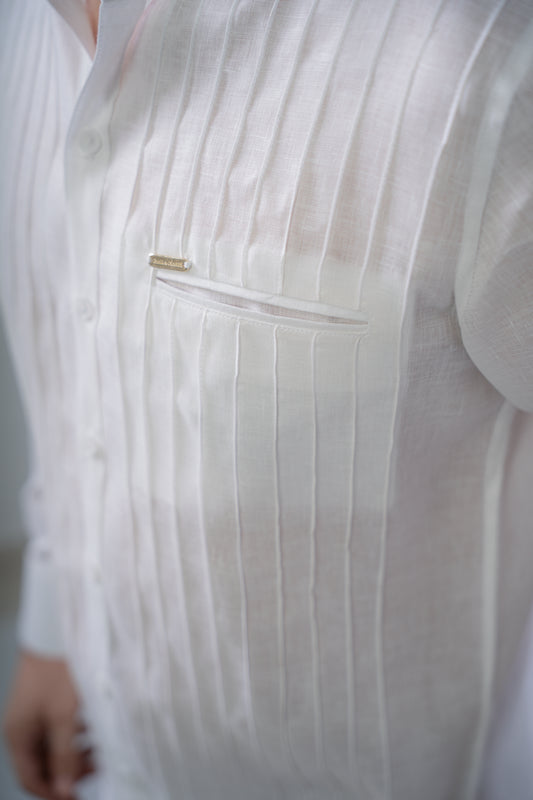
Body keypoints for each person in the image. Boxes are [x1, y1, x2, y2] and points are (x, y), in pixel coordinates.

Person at [1, 0, 533, 798]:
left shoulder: (478, 59)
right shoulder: (20, 31)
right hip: (115, 758)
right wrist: (54, 625)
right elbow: (74, 350)